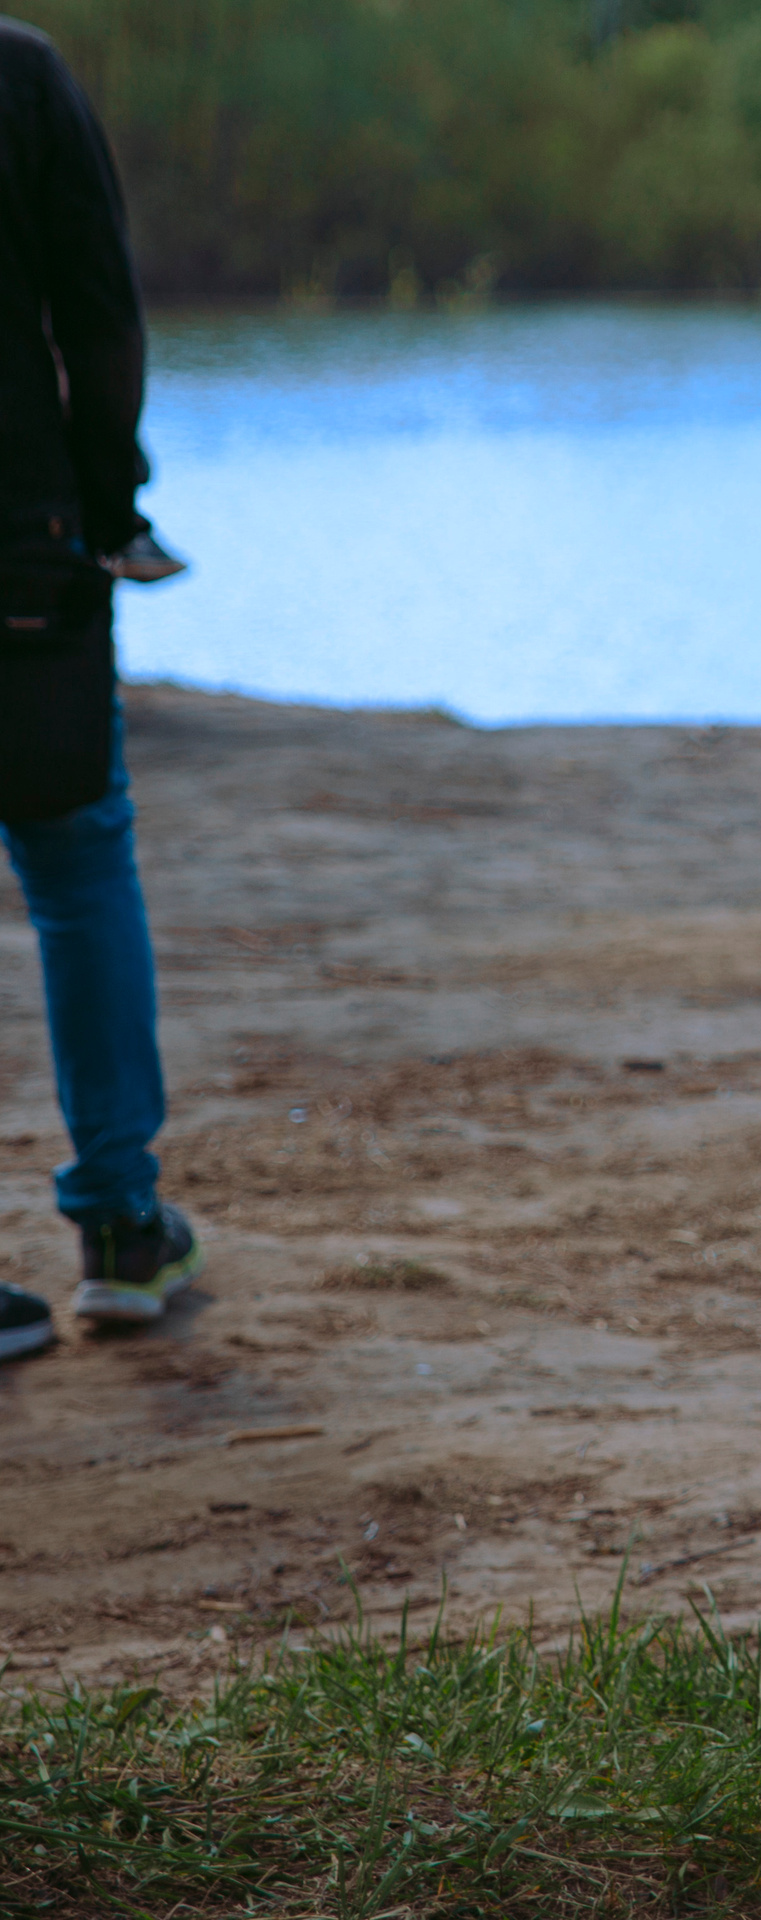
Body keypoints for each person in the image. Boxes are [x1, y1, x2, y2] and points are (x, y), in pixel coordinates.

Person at [0, 19, 202, 1365]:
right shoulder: (18, 75)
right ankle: (122, 1231)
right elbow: (96, 305)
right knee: (77, 867)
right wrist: (108, 504)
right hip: (23, 546)